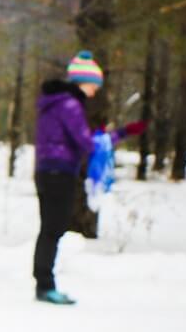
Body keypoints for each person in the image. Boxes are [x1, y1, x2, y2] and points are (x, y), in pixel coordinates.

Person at [31, 51, 144, 304]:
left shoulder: (54, 102)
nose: (95, 91)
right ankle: (45, 285)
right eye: (94, 85)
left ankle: (43, 283)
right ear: (84, 81)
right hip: (59, 171)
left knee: (50, 228)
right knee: (54, 228)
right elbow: (86, 143)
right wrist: (119, 134)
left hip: (46, 170)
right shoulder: (70, 104)